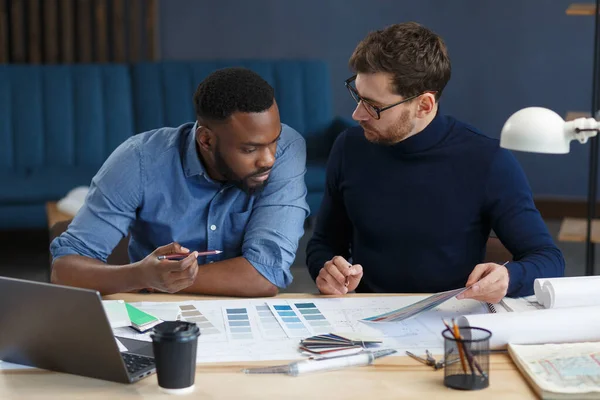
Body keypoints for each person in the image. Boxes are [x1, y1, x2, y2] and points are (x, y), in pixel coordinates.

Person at [306, 22, 565, 303]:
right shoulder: (348, 147)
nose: (357, 114)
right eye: (357, 95)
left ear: (424, 105)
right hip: (365, 317)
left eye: (374, 106)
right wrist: (327, 269)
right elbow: (324, 244)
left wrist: (510, 278)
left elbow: (549, 260)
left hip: (451, 320)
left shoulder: (488, 161)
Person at [51, 67, 309, 296]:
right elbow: (65, 270)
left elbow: (264, 275)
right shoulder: (139, 160)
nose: (268, 160)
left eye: (273, 141)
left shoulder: (288, 149)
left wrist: (154, 281)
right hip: (156, 317)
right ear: (206, 140)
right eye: (250, 149)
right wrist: (140, 275)